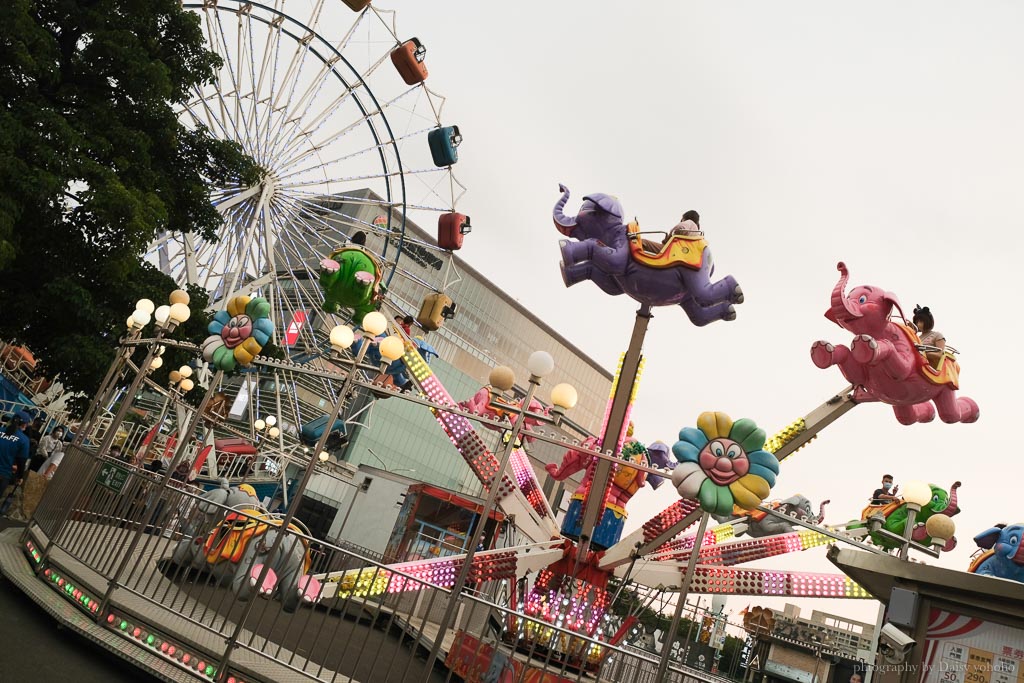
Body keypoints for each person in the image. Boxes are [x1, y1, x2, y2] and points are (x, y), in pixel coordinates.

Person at [0, 410, 33, 515]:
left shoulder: (0, 430)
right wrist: (20, 476)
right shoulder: (23, 440)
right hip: (3, 474)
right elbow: (21, 461)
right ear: (25, 424)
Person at [912, 305, 945, 370]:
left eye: (921, 321)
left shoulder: (937, 335)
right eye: (917, 322)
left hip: (930, 371)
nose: (918, 324)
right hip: (916, 367)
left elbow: (940, 355)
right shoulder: (916, 338)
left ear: (927, 321)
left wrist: (923, 353)